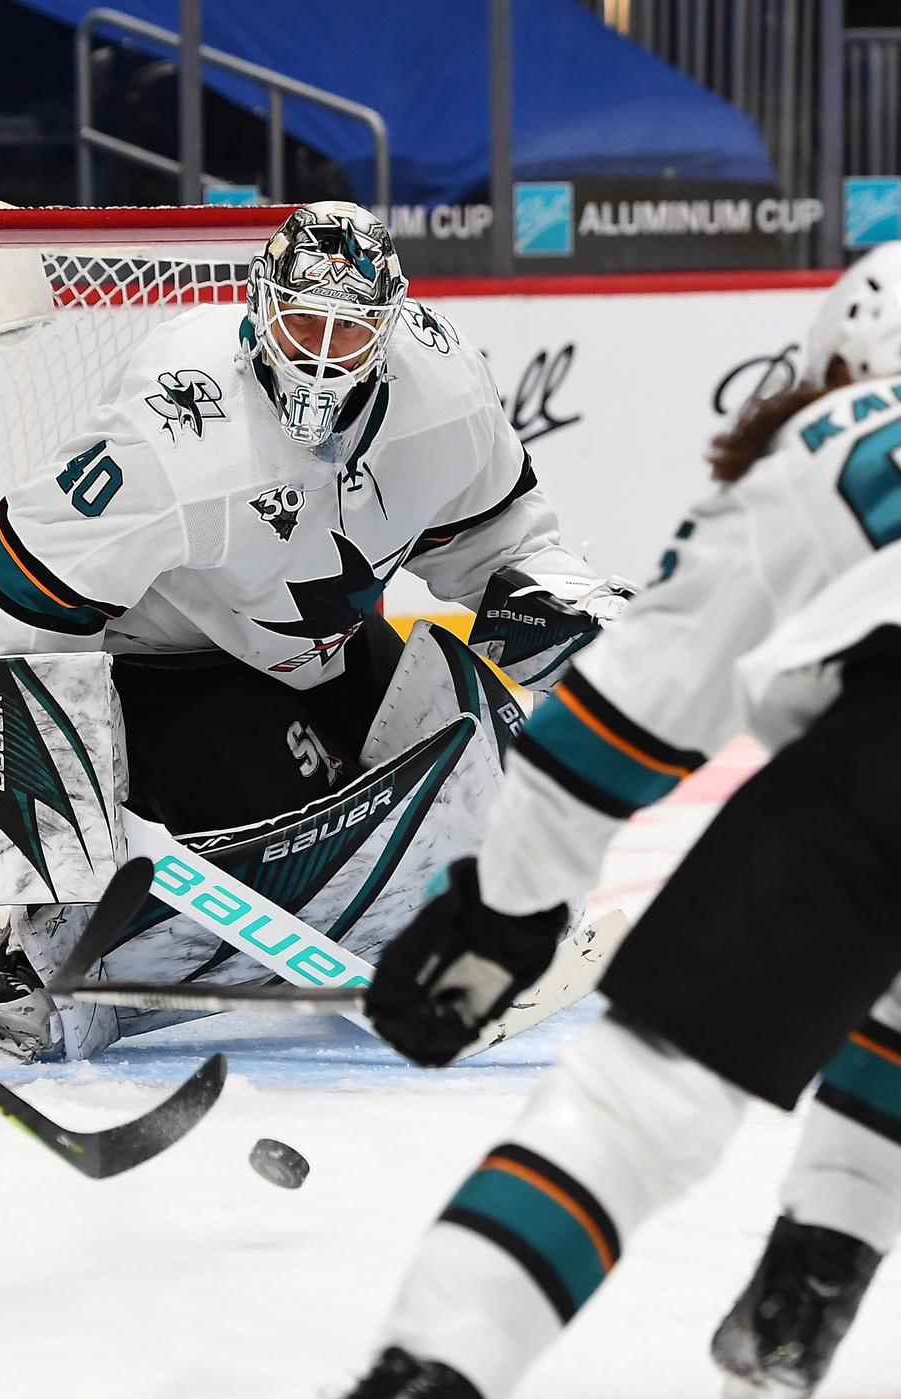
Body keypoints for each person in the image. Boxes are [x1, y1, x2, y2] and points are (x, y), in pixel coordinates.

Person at [342, 245, 901, 1399]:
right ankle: (804, 1296)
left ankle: (435, 1369)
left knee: (631, 1109)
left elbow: (625, 723)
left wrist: (503, 918)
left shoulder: (838, 440)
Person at [0, 202, 629, 1062]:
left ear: (387, 328)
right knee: (310, 858)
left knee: (494, 737)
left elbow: (498, 547)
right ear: (260, 304)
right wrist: (62, 825)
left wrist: (583, 623)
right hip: (173, 670)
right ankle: (46, 964)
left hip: (333, 653)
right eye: (303, 320)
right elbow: (17, 587)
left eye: (347, 329)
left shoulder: (445, 393)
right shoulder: (179, 425)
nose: (321, 353)